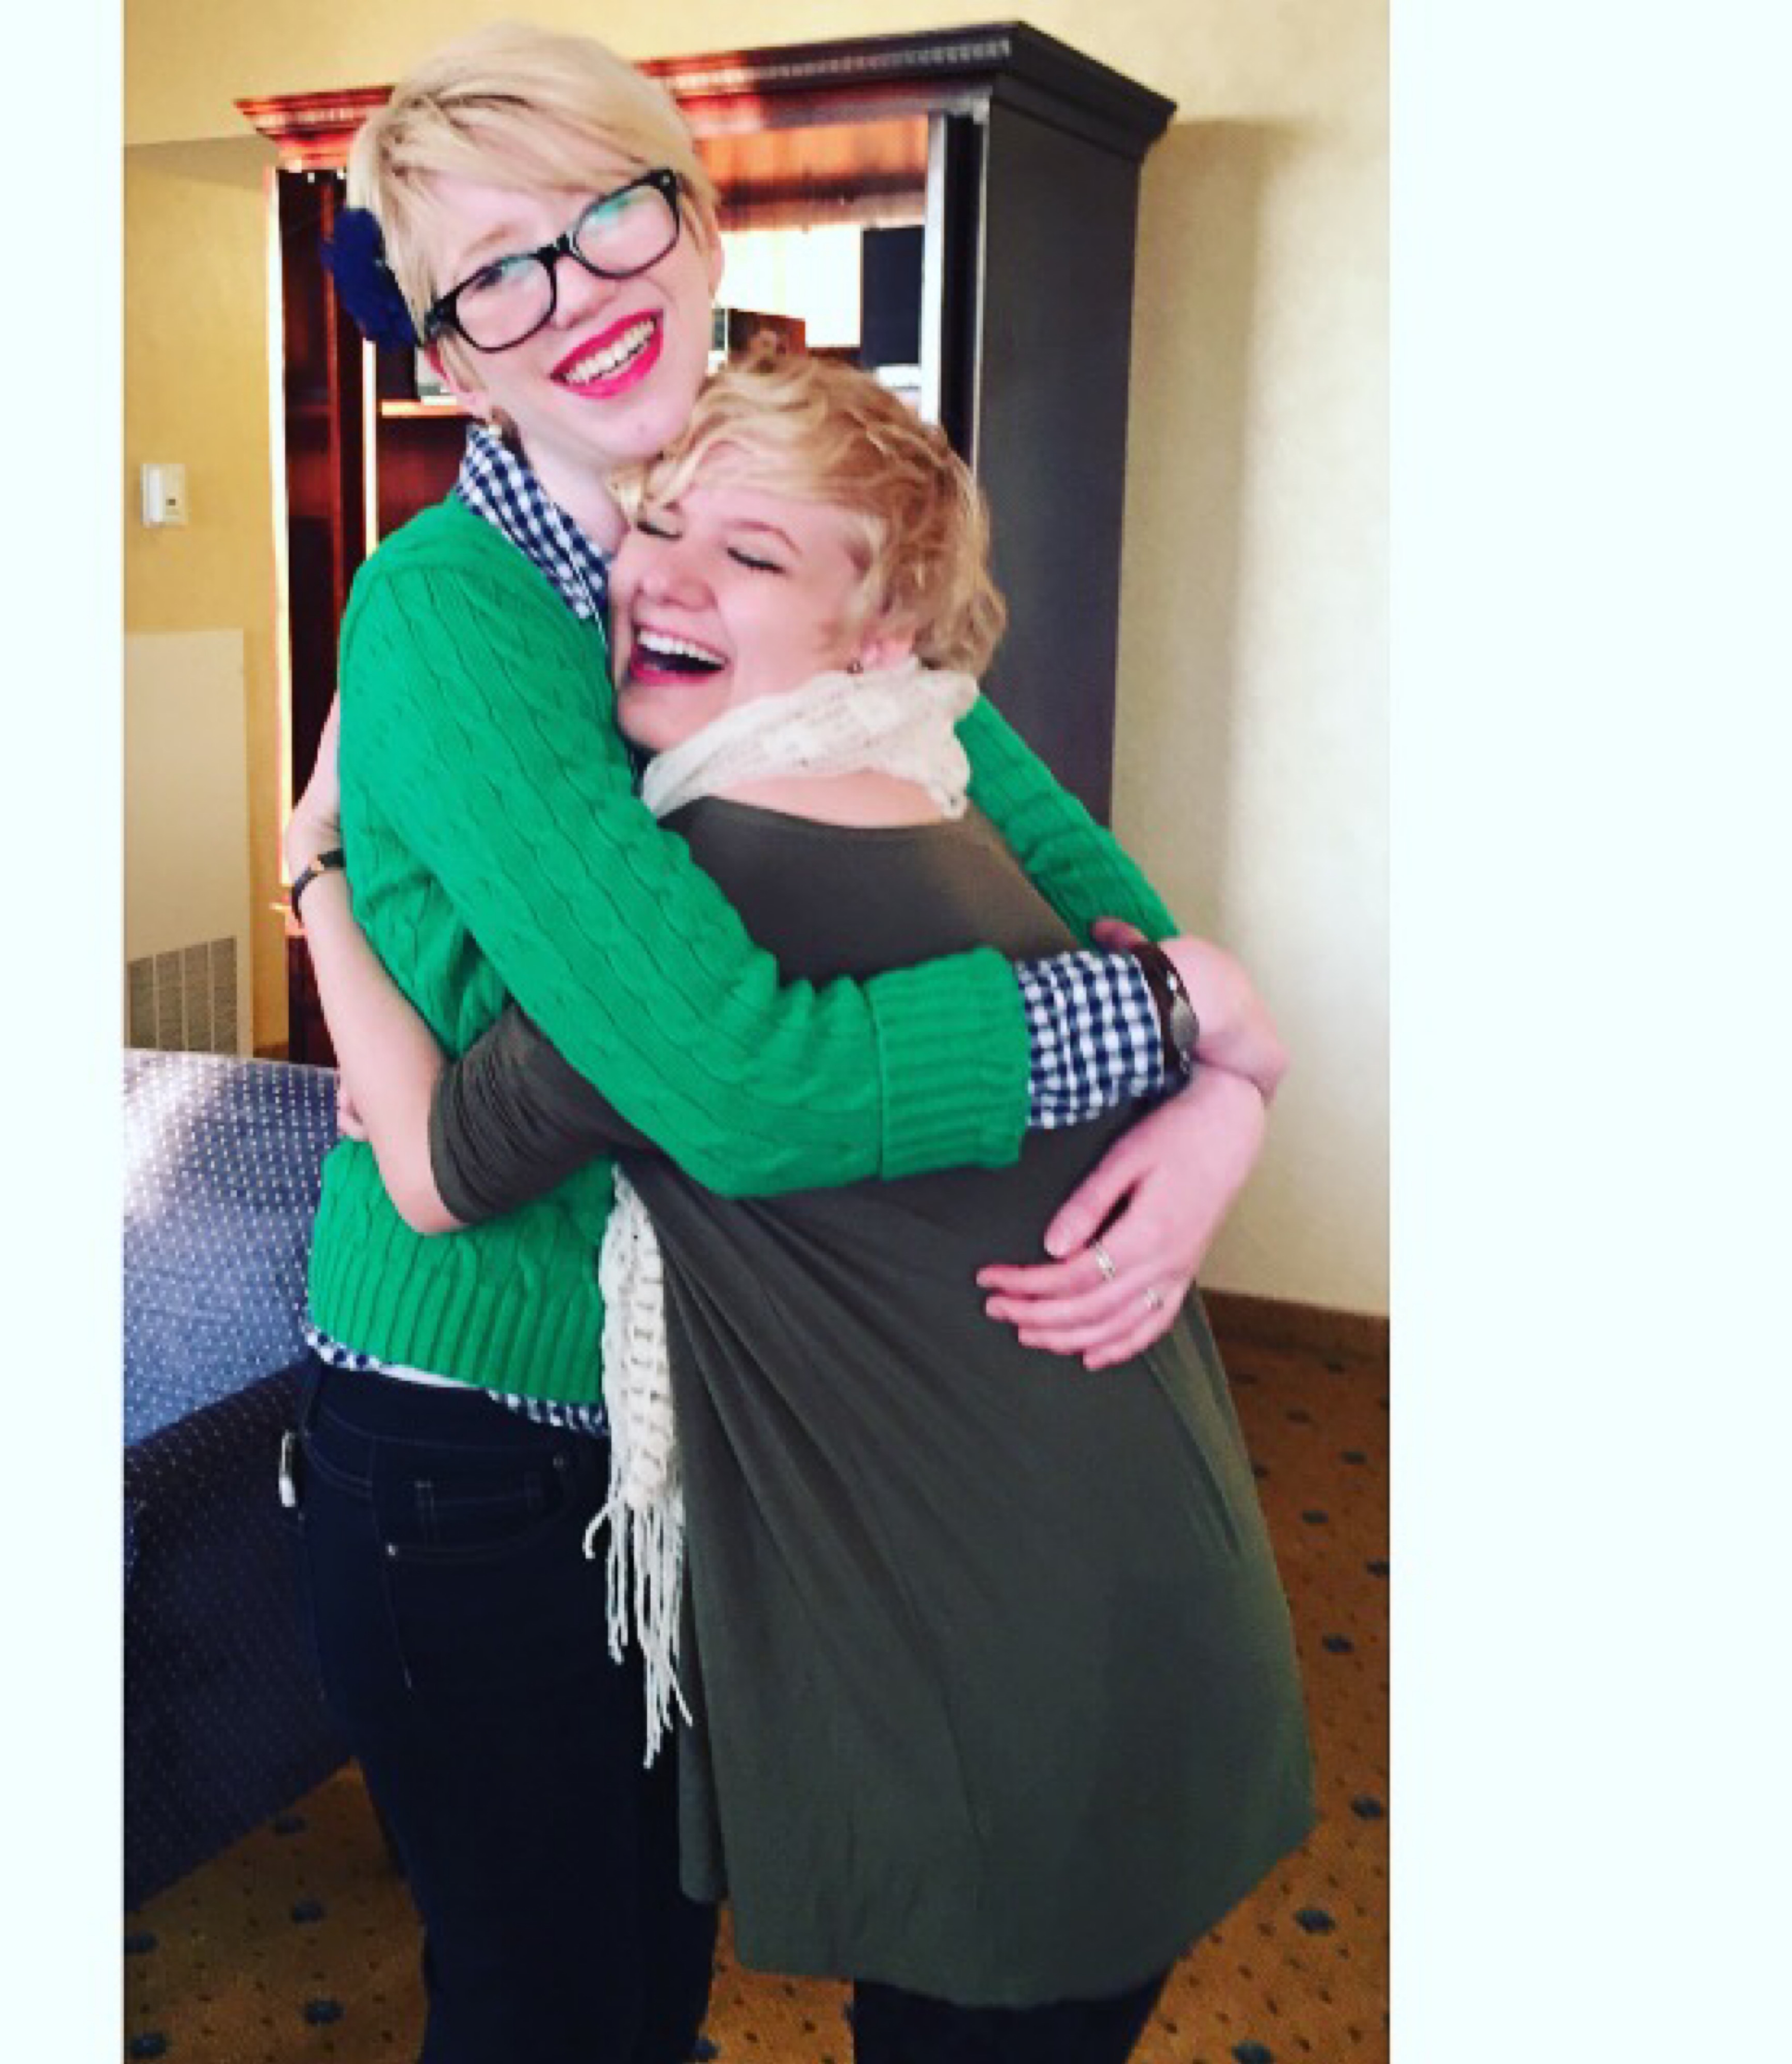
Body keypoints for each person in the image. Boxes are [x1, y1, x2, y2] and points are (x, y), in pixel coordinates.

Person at [279, 23, 1279, 2064]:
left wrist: (1223, 1097)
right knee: (565, 2020)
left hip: (709, 1434)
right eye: (498, 274)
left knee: (661, 1995)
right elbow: (728, 1081)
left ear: (689, 206)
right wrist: (1162, 1018)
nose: (580, 290)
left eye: (610, 211)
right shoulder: (450, 614)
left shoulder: (788, 542)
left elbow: (1097, 877)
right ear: (452, 351)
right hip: (484, 1434)